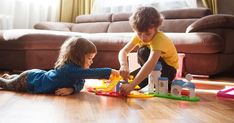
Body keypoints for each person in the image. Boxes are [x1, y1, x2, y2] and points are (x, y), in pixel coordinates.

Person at [0, 37, 119, 96]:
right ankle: (9, 78)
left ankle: (11, 77)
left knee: (11, 81)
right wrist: (111, 71)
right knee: (5, 85)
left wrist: (72, 89)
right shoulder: (68, 69)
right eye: (89, 58)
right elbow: (89, 74)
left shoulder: (77, 73)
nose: (91, 62)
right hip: (30, 80)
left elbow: (81, 82)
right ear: (78, 56)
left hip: (36, 75)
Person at [119, 6, 178, 96]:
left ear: (156, 28)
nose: (143, 38)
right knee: (126, 81)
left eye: (148, 34)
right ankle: (148, 80)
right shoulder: (140, 35)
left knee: (143, 51)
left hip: (168, 70)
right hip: (153, 69)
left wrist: (132, 85)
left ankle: (165, 83)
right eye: (139, 34)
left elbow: (151, 63)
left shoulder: (159, 39)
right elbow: (124, 51)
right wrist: (124, 65)